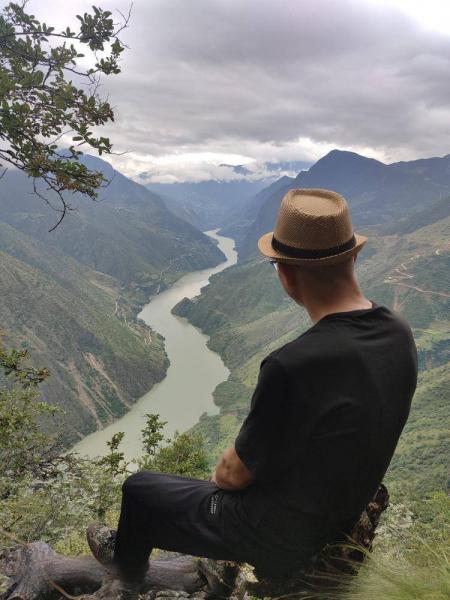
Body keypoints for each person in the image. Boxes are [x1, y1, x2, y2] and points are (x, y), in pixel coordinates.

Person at [87, 188, 418, 599]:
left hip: (281, 536)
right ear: (353, 258)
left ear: (285, 274)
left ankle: (127, 572)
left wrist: (228, 474)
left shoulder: (293, 364)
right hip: (340, 516)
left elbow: (231, 476)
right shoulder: (397, 332)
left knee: (140, 489)